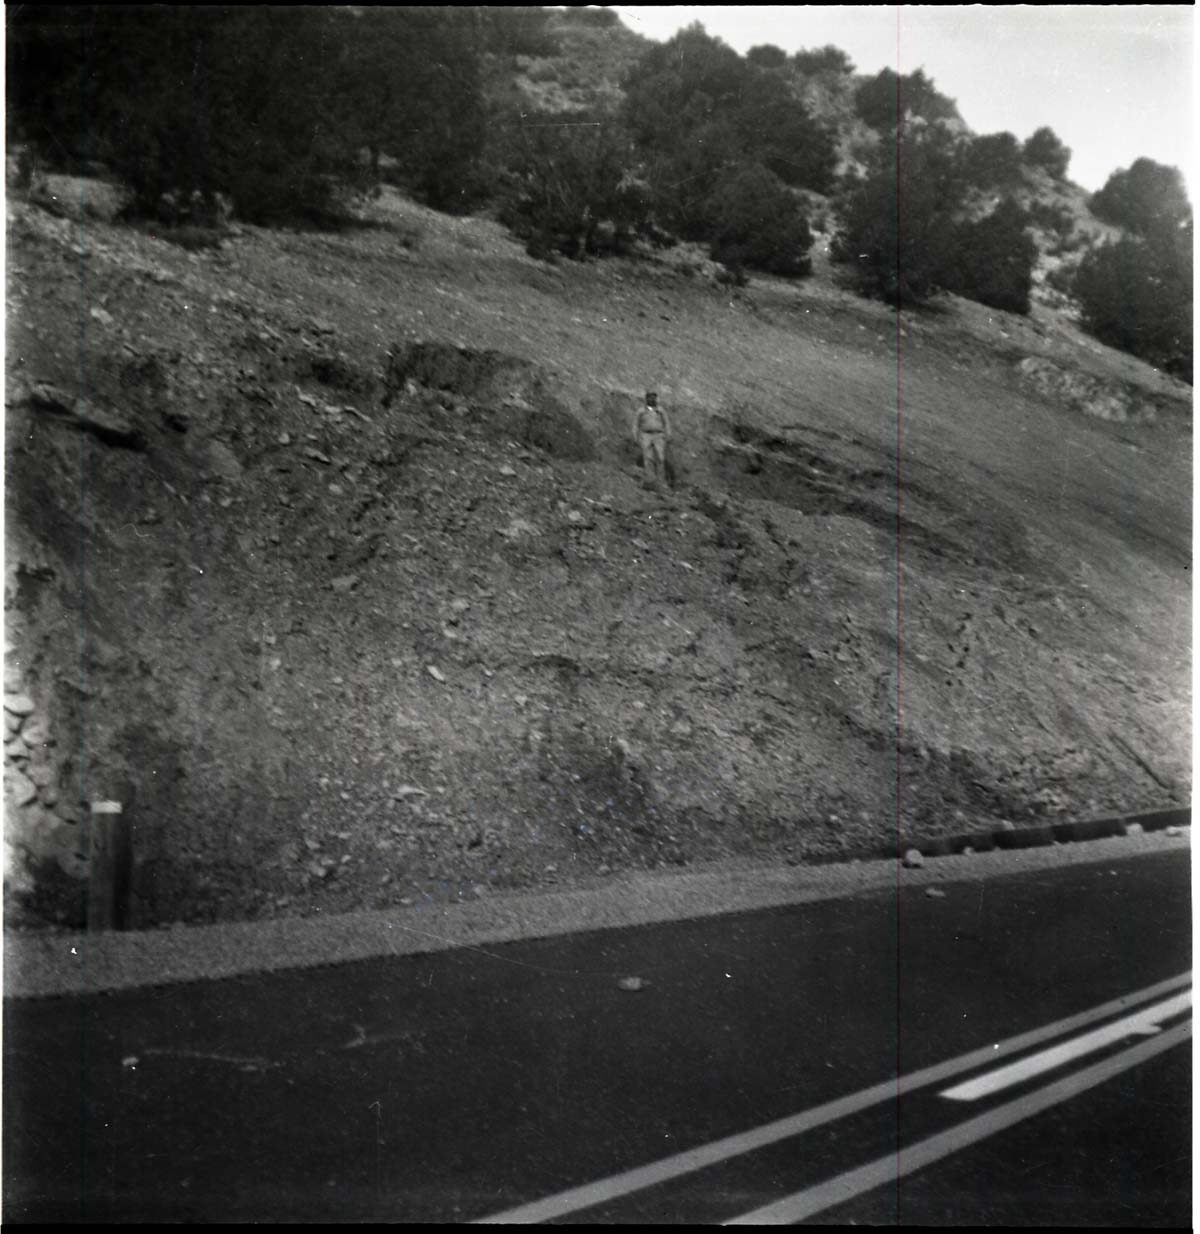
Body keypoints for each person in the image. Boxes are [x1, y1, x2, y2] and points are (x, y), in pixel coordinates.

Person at [633, 391, 672, 486]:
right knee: (648, 457)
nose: (652, 399)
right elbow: (635, 425)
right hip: (645, 435)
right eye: (650, 397)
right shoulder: (641, 411)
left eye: (654, 397)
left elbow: (666, 423)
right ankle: (650, 479)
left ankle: (661, 481)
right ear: (646, 399)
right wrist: (635, 437)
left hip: (659, 435)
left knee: (660, 457)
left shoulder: (661, 411)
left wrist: (668, 434)